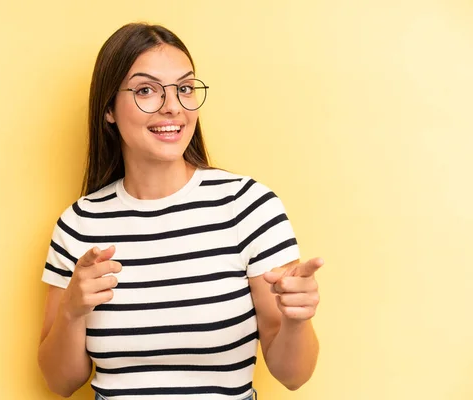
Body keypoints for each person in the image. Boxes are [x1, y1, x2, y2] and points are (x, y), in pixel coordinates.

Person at [37, 22, 323, 400]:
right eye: (146, 91)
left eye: (184, 89)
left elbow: (294, 375)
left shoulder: (248, 207)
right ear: (108, 109)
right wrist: (72, 312)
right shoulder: (79, 224)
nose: (173, 107)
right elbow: (60, 382)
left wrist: (296, 320)